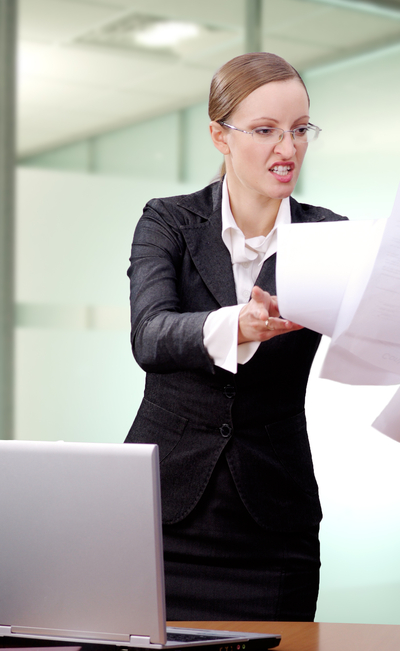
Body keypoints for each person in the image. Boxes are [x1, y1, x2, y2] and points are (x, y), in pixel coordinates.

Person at [124, 52, 345, 622]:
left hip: (273, 521)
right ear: (220, 137)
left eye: (300, 130)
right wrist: (235, 324)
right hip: (160, 513)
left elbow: (378, 336)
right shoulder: (168, 221)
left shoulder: (331, 237)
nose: (288, 148)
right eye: (267, 130)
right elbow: (149, 336)